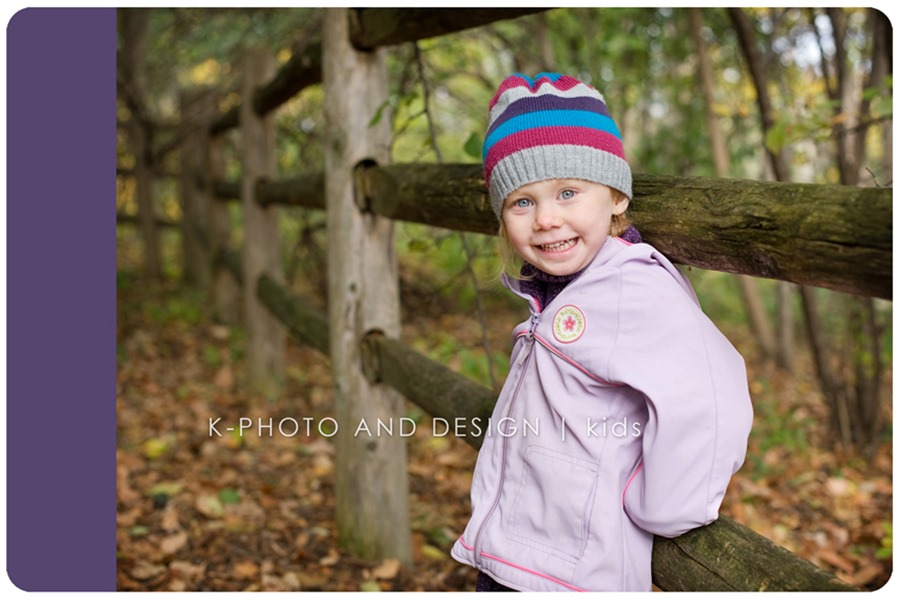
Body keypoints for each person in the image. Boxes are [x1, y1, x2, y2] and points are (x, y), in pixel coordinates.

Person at [450, 72, 754, 592]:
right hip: (516, 558)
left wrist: (662, 506)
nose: (546, 218)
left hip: (573, 573)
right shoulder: (558, 290)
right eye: (522, 202)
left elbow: (715, 395)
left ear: (615, 196)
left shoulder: (631, 289)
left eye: (568, 192)